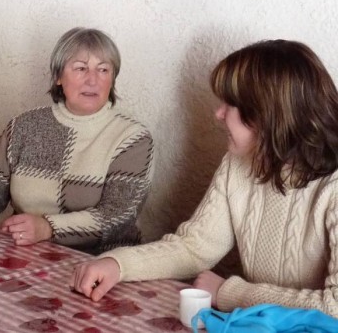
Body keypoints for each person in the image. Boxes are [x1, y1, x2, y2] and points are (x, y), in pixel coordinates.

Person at [72, 40, 338, 317]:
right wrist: (118, 264)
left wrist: (228, 293)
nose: (218, 114)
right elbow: (194, 249)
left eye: (230, 105)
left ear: (267, 115)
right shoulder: (239, 163)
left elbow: (335, 307)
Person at [0, 27, 154, 254]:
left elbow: (117, 216)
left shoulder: (132, 138)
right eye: (80, 68)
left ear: (112, 78)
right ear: (59, 76)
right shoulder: (24, 126)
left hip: (101, 265)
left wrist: (47, 227)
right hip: (27, 256)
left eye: (103, 70)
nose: (93, 80)